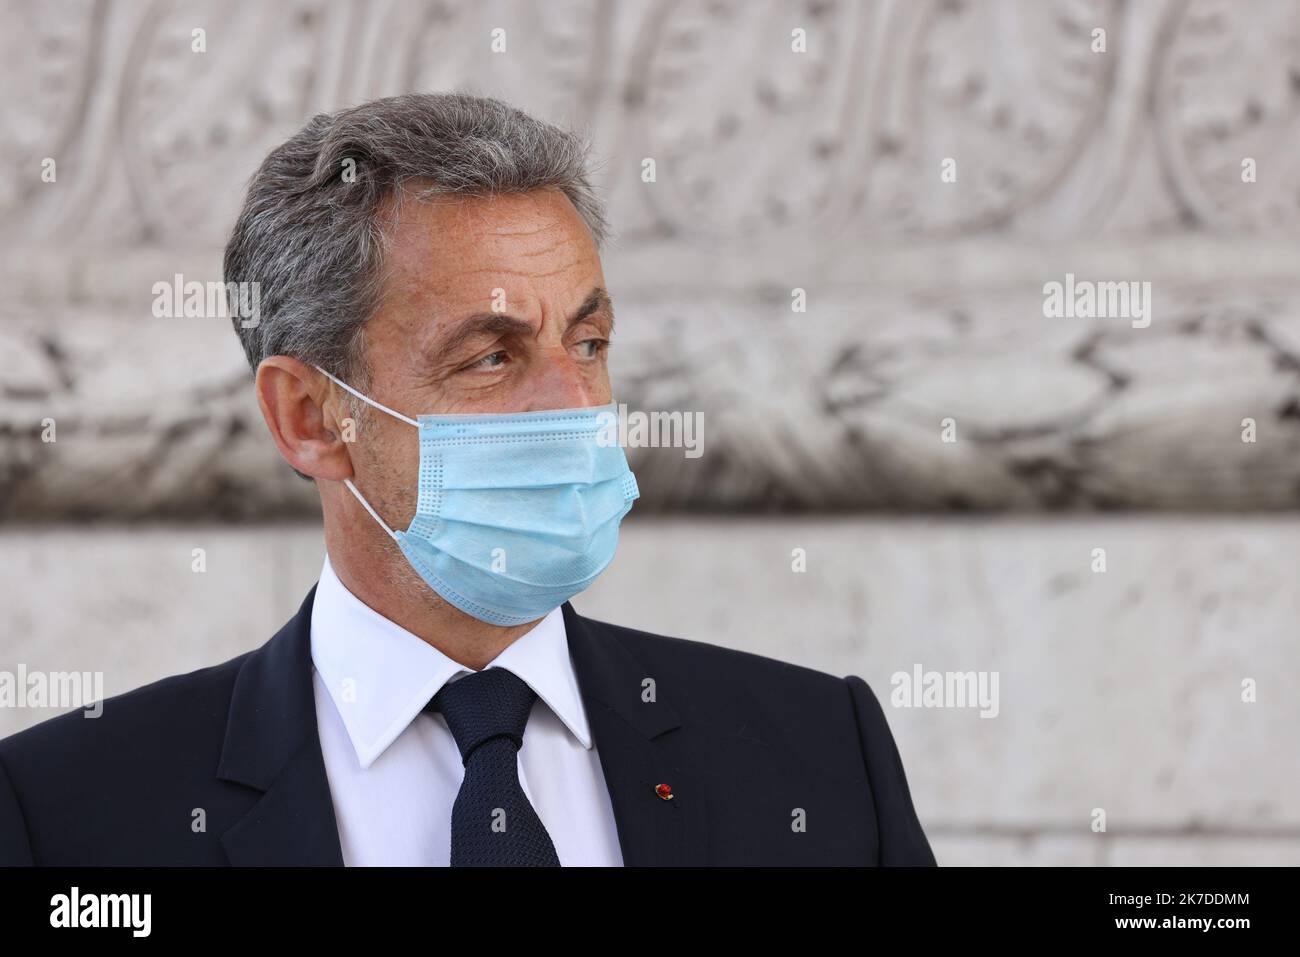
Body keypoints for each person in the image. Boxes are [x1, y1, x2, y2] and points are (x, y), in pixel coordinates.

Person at [0, 92, 935, 866]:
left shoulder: (817, 756)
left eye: (590, 342)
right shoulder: (71, 813)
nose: (574, 405)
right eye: (491, 357)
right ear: (310, 418)